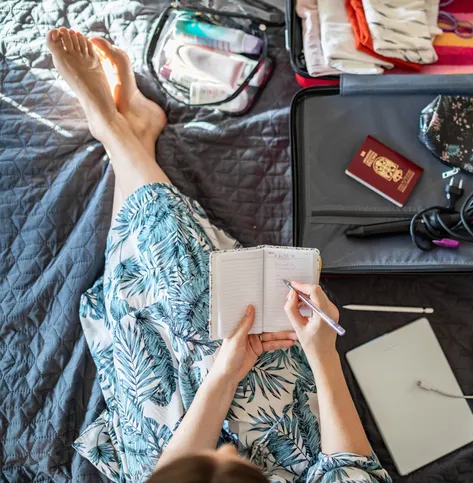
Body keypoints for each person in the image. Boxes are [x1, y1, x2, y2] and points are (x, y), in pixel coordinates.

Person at [45, 27, 391, 483]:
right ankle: (125, 137)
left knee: (155, 318)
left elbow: (168, 472)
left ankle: (117, 134)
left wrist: (223, 375)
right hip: (293, 445)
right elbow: (352, 470)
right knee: (195, 303)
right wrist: (321, 352)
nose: (226, 450)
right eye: (228, 462)